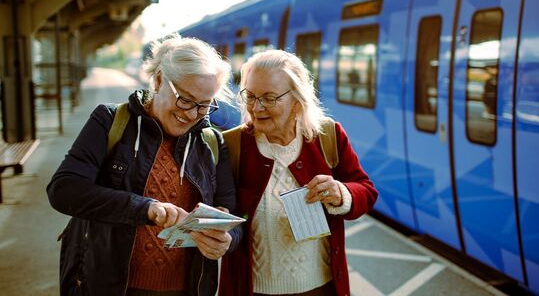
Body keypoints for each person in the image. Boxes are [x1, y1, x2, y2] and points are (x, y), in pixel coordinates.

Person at [47, 34, 242, 296]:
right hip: (112, 285)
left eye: (204, 105)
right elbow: (64, 190)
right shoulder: (110, 121)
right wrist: (146, 208)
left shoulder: (212, 143)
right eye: (185, 99)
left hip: (187, 288)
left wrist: (227, 240)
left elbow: (234, 214)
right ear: (160, 79)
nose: (191, 114)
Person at [219, 50, 379, 296]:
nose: (256, 107)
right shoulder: (232, 145)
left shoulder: (328, 135)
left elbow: (366, 190)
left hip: (321, 288)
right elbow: (220, 213)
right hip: (254, 290)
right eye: (250, 96)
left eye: (269, 98)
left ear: (297, 99)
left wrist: (341, 192)